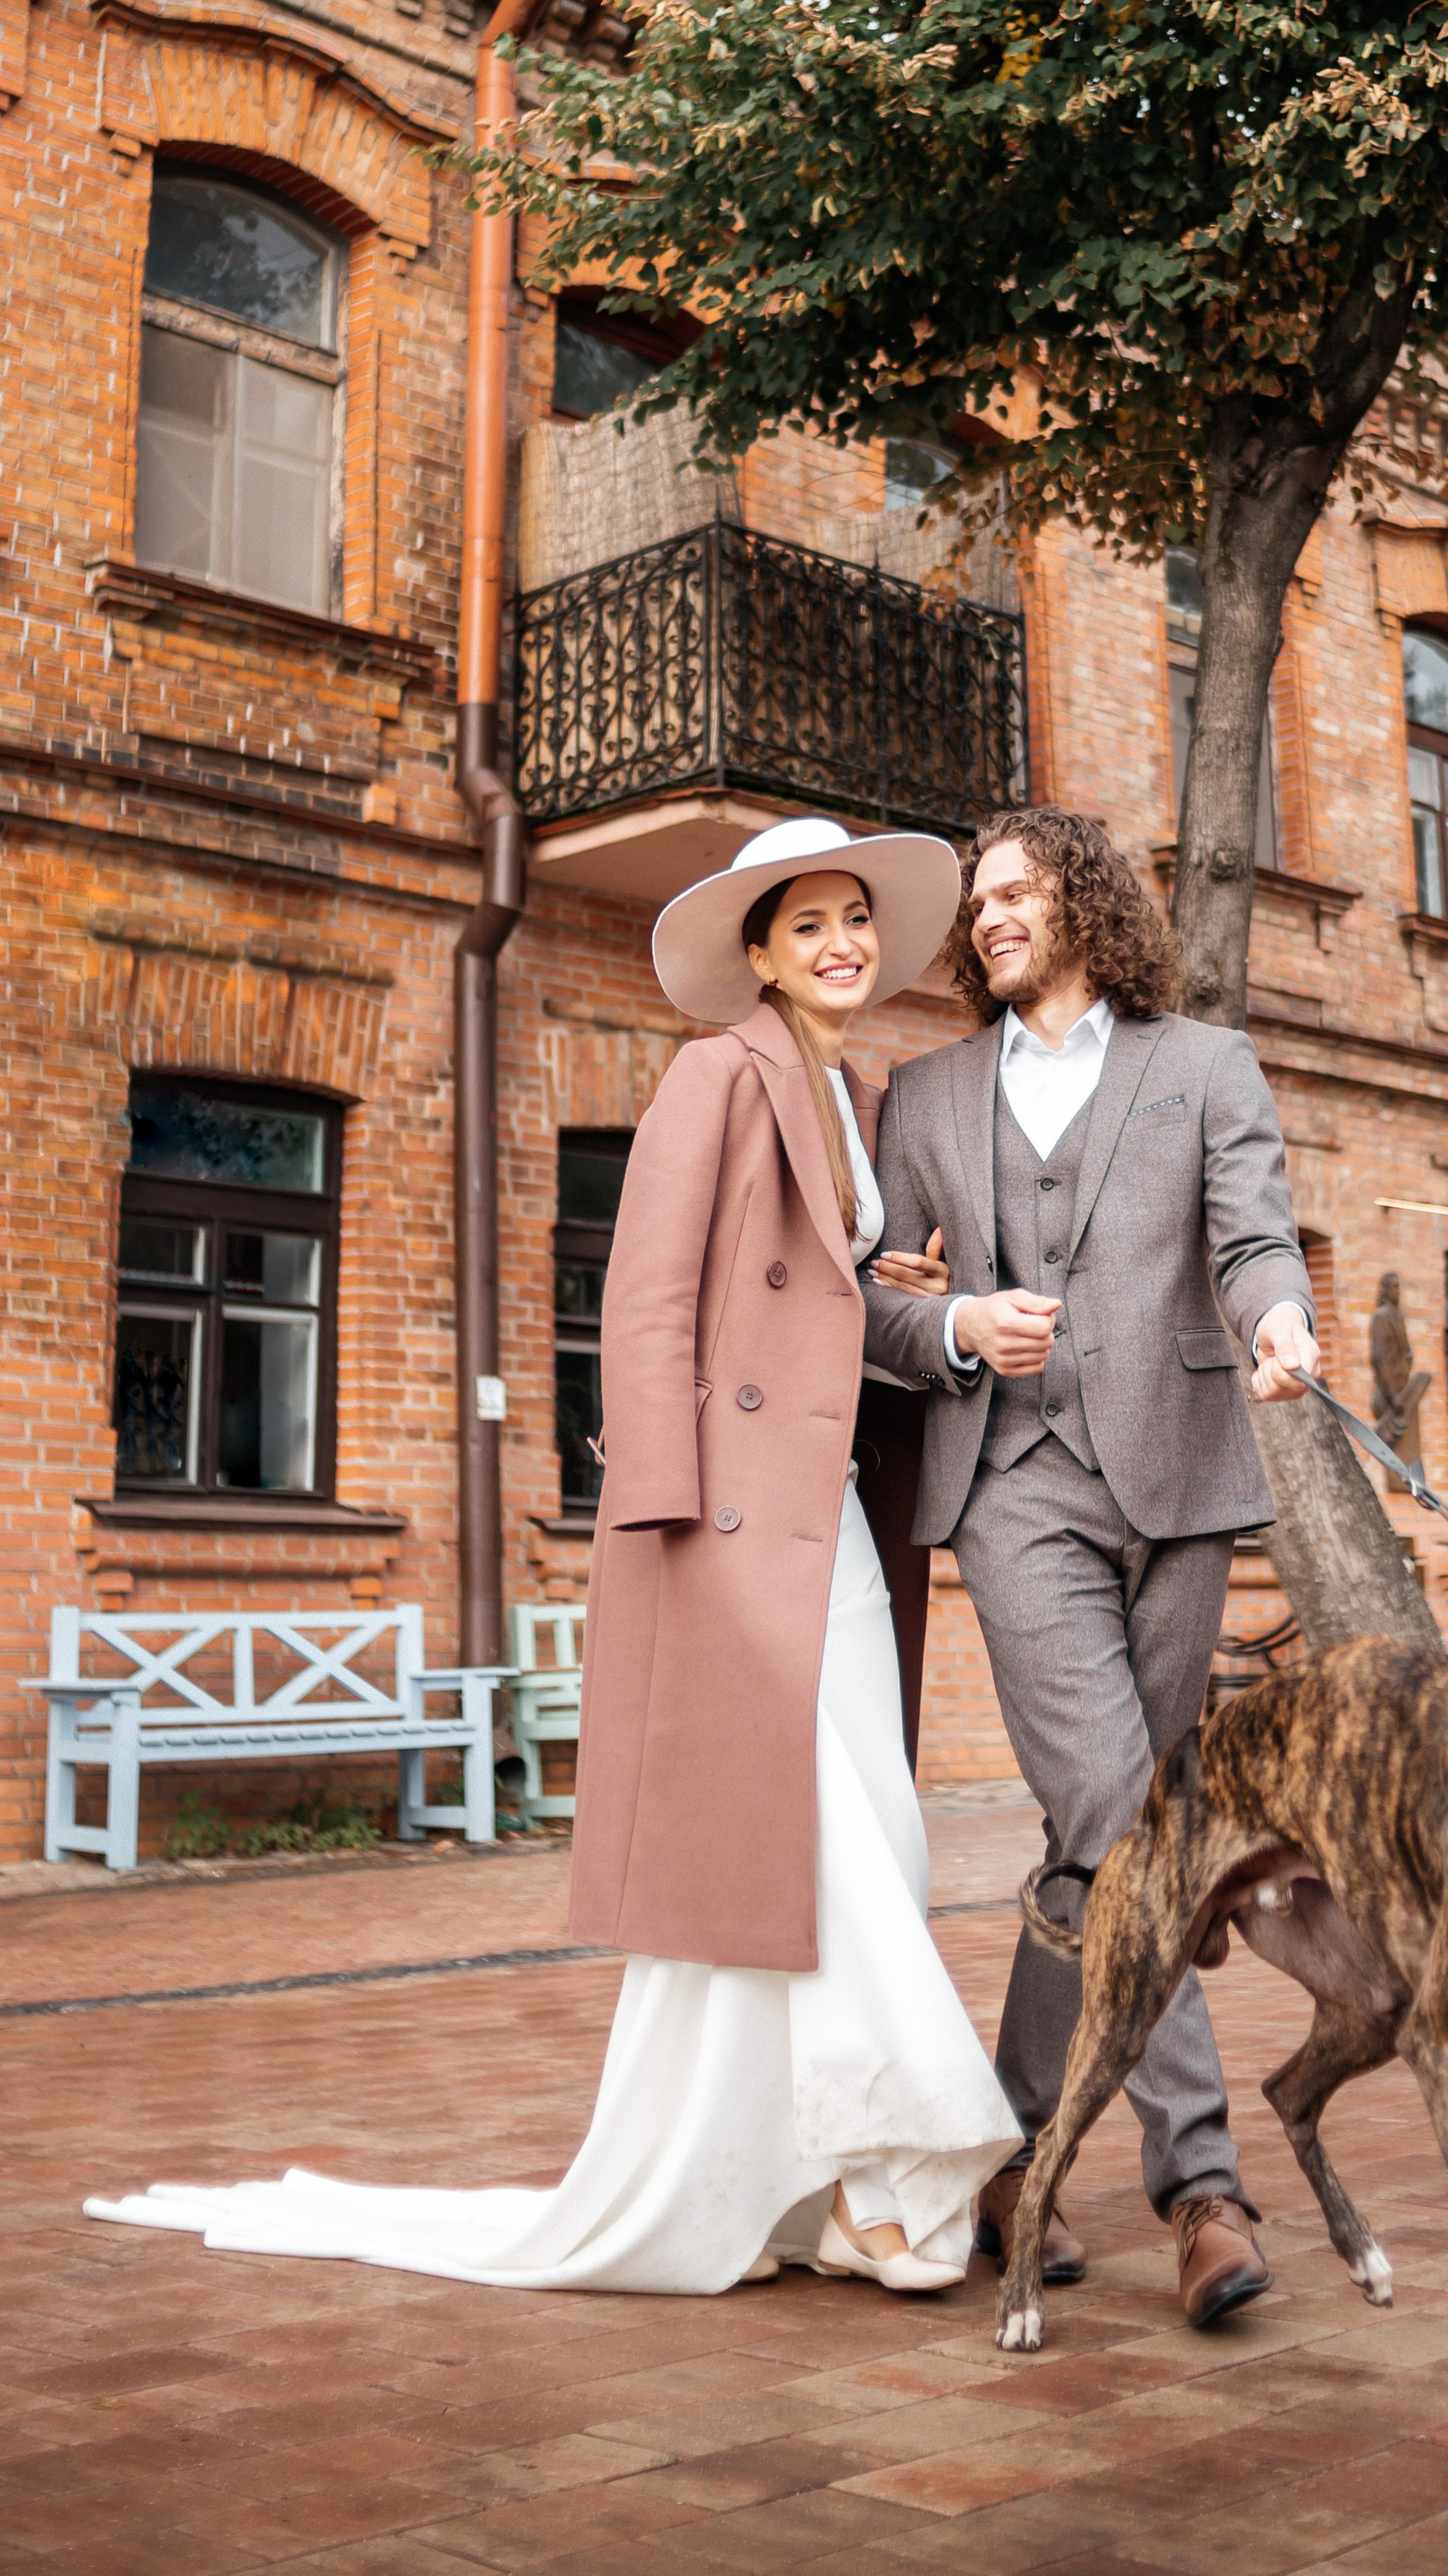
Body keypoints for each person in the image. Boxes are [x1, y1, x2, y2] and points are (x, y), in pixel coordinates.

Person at [87, 816, 1019, 2296]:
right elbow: (641, 1304)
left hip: (828, 1515)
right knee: (822, 1833)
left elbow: (810, 1309)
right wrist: (660, 1524)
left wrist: (892, 1291)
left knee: (871, 1831)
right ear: (761, 957)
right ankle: (877, 2169)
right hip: (727, 1524)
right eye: (810, 924)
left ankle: (801, 2187)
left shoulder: (855, 1096)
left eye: (857, 918)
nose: (843, 942)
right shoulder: (717, 1073)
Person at [863, 805, 1321, 2327]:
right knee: (1124, 1820)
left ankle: (1011, 2160)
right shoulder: (922, 1095)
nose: (988, 916)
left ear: (1086, 903)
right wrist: (946, 1325)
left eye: (1013, 891)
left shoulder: (1202, 1067)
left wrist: (1276, 1326)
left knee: (1091, 1845)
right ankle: (1201, 2189)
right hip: (1010, 1490)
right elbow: (871, 1303)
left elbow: (1250, 1238)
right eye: (976, 901)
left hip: (1180, 1486)